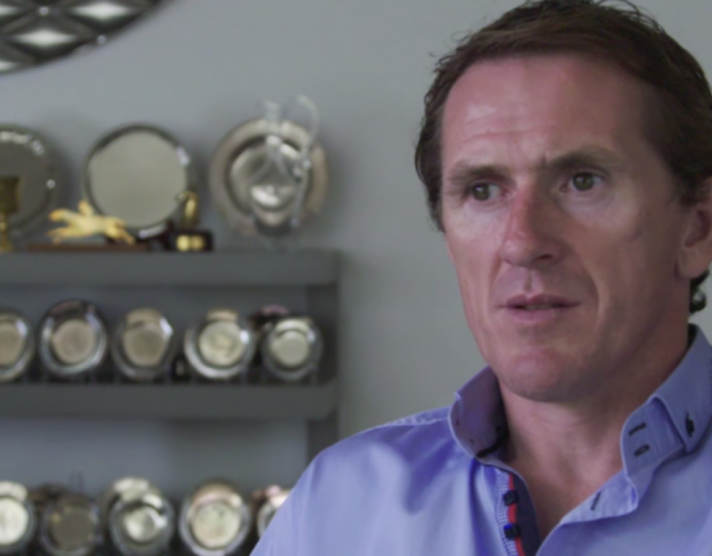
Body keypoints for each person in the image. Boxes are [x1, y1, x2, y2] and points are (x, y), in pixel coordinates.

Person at [252, 1, 712, 554]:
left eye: (582, 181)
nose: (522, 242)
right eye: (483, 190)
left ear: (697, 229)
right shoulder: (339, 506)